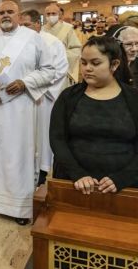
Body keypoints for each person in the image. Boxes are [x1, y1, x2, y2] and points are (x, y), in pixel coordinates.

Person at [0, 1, 54, 225]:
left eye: (10, 12)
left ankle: (20, 207)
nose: (5, 16)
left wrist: (25, 83)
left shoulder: (33, 39)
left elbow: (49, 70)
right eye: (2, 12)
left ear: (18, 15)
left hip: (22, 109)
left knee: (20, 157)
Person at [50, 36, 138, 194]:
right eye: (83, 62)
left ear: (114, 64)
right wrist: (78, 174)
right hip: (75, 180)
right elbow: (58, 139)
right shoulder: (68, 97)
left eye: (95, 63)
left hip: (124, 185)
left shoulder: (133, 99)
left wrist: (123, 178)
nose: (87, 68)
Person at [20, 9, 69, 186]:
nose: (23, 28)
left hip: (42, 98)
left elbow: (60, 70)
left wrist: (37, 89)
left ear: (37, 24)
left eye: (27, 25)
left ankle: (41, 170)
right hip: (21, 97)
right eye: (21, 25)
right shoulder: (17, 43)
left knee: (41, 135)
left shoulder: (52, 42)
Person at [43, 3, 82, 84]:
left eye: (53, 13)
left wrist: (59, 57)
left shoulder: (67, 29)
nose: (51, 16)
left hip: (62, 69)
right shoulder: (42, 30)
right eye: (48, 14)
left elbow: (76, 48)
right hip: (45, 69)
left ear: (59, 15)